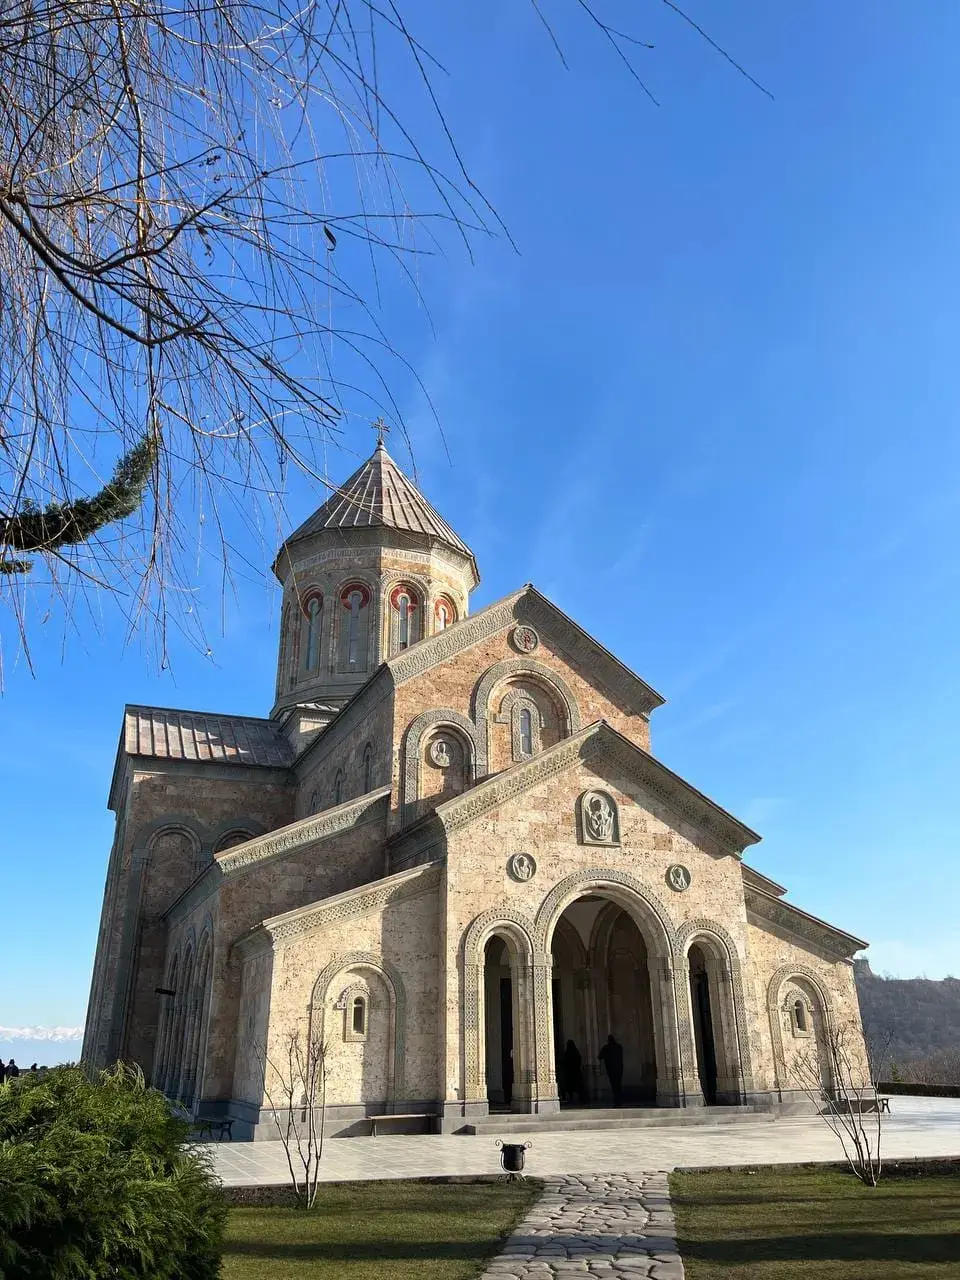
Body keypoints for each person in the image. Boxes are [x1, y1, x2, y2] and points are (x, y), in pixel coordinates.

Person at [599, 1034, 624, 1106]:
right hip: (619, 1068)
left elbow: (600, 1056)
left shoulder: (606, 1048)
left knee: (614, 1085)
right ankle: (619, 1100)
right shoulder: (619, 1047)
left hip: (611, 1069)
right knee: (618, 1084)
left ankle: (617, 1100)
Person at [561, 1039, 584, 1105]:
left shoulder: (568, 1053)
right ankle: (578, 1099)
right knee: (576, 1086)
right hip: (575, 1072)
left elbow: (565, 1061)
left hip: (570, 1073)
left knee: (571, 1087)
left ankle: (573, 1099)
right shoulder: (575, 1052)